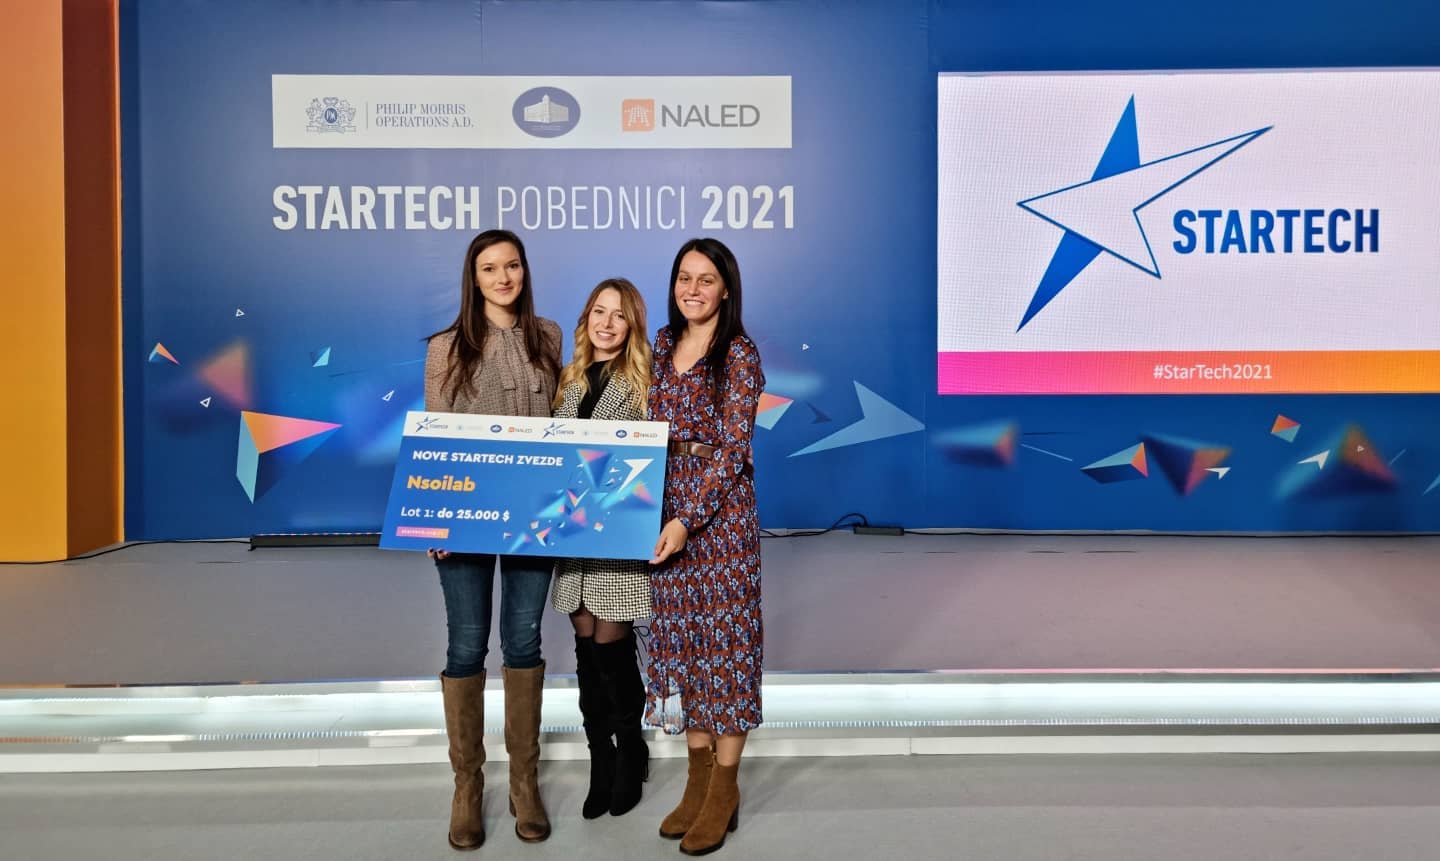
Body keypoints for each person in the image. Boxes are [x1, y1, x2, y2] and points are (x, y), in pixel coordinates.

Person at [423, 228, 561, 850]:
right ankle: (467, 785)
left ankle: (525, 783)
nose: (502, 278)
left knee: (524, 638)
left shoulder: (552, 338)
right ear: (472, 278)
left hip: (535, 517)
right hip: (466, 520)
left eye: (512, 266)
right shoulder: (446, 347)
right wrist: (434, 518)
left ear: (524, 272)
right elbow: (434, 440)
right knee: (466, 642)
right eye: (489, 269)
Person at [647, 238, 764, 856]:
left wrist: (689, 520)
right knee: (688, 647)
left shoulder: (740, 355)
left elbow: (733, 452)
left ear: (726, 289)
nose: (692, 289)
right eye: (683, 278)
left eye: (706, 279)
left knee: (728, 648)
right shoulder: (662, 346)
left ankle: (725, 789)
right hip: (661, 509)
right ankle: (694, 784)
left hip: (719, 522)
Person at [549, 278, 655, 819]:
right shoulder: (568, 383)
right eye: (598, 311)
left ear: (632, 325)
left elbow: (648, 470)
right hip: (573, 541)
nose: (607, 323)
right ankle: (601, 759)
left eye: (619, 315)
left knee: (612, 647)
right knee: (586, 649)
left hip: (616, 539)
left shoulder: (642, 386)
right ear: (586, 318)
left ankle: (631, 748)